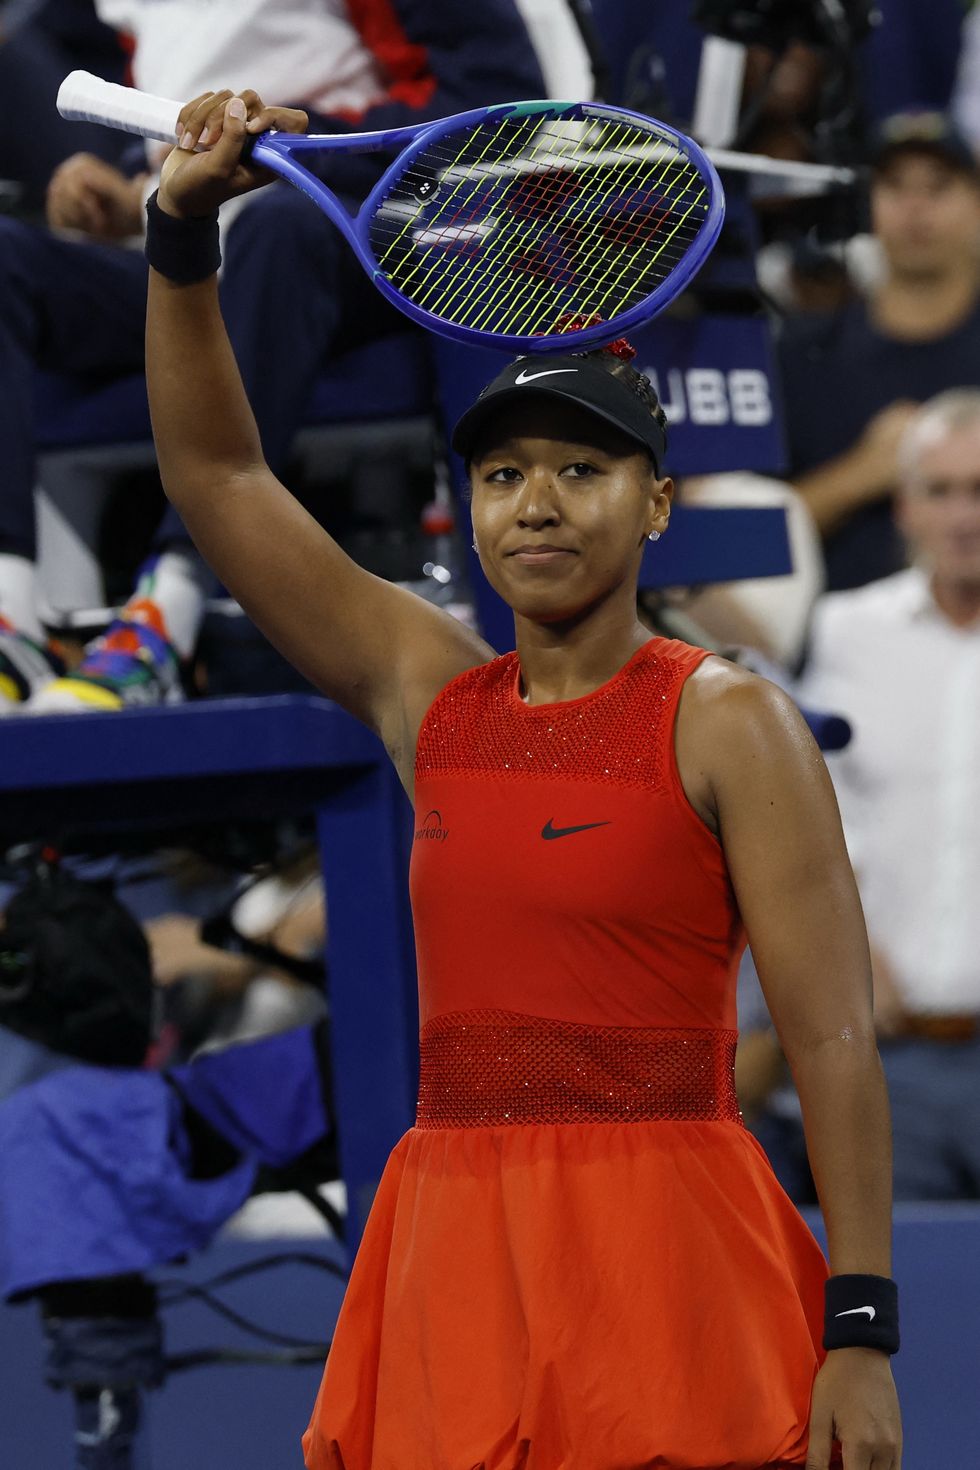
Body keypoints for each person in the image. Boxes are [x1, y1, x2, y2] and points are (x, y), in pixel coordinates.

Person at [144, 92, 903, 1470]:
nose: (536, 504)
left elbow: (837, 1039)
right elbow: (217, 472)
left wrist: (860, 1324)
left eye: (579, 469)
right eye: (501, 475)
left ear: (656, 501)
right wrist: (181, 236)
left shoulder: (729, 717)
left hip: (675, 1261)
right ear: (469, 503)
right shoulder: (427, 689)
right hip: (460, 1257)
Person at [0, 0, 544, 713]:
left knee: (276, 229)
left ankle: (169, 613)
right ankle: (12, 626)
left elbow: (491, 107)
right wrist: (116, 180)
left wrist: (294, 146)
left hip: (355, 226)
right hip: (188, 234)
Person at [796, 388, 980, 1200]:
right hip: (891, 1066)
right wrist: (850, 951)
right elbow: (806, 822)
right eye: (941, 491)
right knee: (914, 1312)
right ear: (904, 507)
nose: (962, 516)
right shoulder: (844, 632)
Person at [778, 110, 980, 592]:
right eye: (895, 187)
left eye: (937, 187)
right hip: (841, 641)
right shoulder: (805, 353)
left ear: (975, 202)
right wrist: (860, 474)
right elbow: (749, 538)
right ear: (868, 204)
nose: (916, 208)